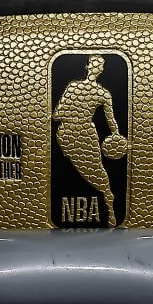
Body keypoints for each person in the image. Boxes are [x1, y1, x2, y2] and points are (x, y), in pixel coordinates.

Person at [51, 56, 125, 225]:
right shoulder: (74, 87)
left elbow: (111, 121)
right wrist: (79, 117)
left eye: (99, 65)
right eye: (95, 64)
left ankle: (109, 206)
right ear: (89, 66)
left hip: (84, 133)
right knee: (86, 170)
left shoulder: (103, 94)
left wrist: (118, 137)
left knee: (97, 170)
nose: (96, 68)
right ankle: (108, 201)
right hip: (68, 134)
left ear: (100, 70)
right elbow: (56, 115)